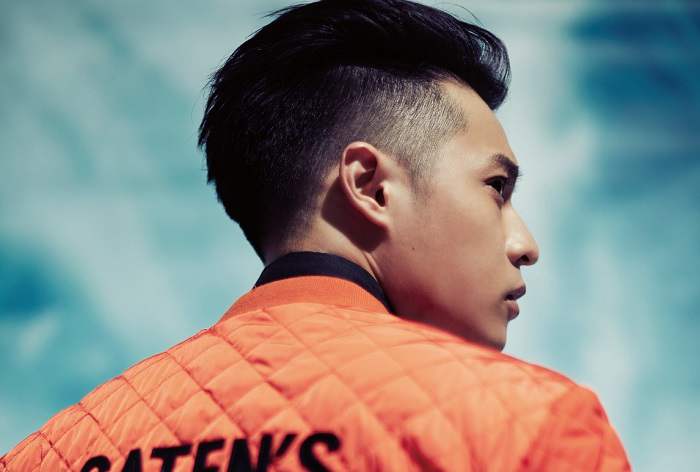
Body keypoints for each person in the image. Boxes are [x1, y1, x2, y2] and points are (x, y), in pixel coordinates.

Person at [1, 0, 631, 470]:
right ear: (371, 186)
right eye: (496, 187)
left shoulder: (43, 455)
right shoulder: (529, 425)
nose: (525, 244)